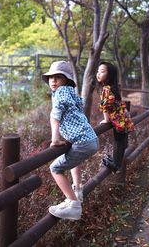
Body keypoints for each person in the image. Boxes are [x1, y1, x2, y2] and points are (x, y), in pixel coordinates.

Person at [42, 60, 99, 220]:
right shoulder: (70, 92)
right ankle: (77, 190)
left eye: (58, 77)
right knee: (72, 161)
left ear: (65, 80)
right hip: (90, 139)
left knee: (55, 168)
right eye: (50, 77)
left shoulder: (61, 93)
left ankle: (74, 205)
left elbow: (55, 116)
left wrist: (55, 139)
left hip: (83, 142)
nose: (53, 81)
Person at [96, 61, 135, 173]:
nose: (98, 73)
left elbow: (105, 105)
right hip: (124, 118)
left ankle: (116, 164)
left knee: (118, 141)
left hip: (118, 120)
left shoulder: (106, 89)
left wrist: (106, 119)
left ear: (110, 74)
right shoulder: (114, 87)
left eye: (102, 71)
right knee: (122, 142)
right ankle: (116, 161)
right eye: (98, 71)